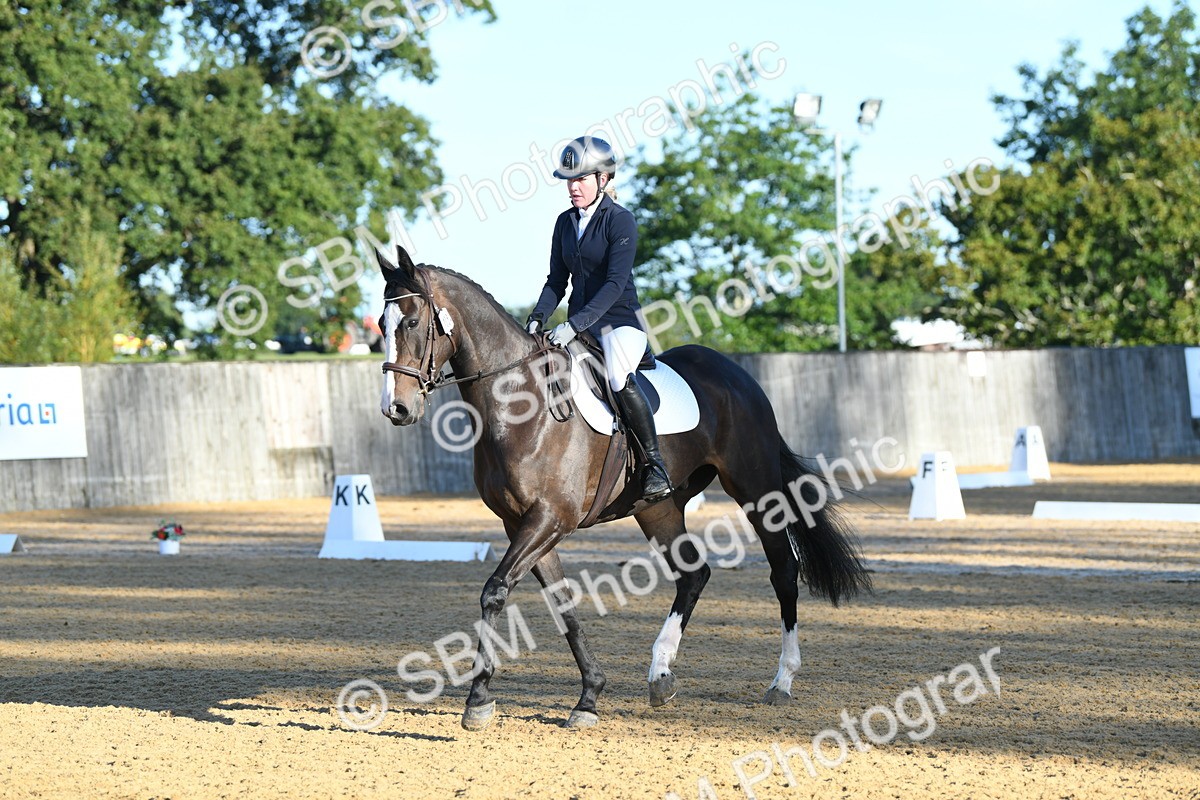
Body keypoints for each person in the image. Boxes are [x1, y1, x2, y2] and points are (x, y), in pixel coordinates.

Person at [526, 136, 672, 503]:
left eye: (581, 179)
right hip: (579, 325)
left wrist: (574, 324)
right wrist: (536, 318)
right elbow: (557, 281)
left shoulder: (621, 221)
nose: (573, 187)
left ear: (603, 179)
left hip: (619, 323)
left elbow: (614, 283)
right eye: (569, 180)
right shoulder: (564, 223)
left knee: (618, 376)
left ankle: (654, 465)